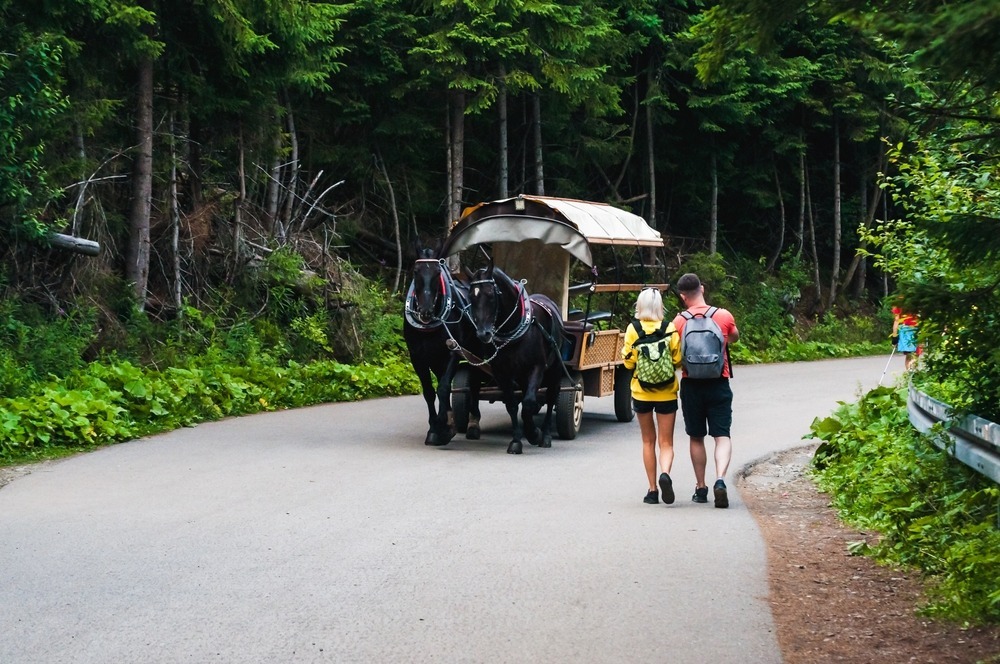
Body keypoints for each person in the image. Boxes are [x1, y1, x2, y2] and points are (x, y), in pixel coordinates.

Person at [672, 273, 740, 508]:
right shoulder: (723, 316)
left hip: (691, 384)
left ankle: (701, 488)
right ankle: (720, 479)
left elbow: (675, 351)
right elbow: (734, 338)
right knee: (722, 436)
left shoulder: (679, 322)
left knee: (696, 436)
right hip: (718, 382)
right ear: (702, 288)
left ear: (683, 296)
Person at [621, 287, 682, 506]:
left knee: (648, 441)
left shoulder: (633, 329)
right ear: (659, 306)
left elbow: (628, 362)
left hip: (642, 392)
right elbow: (677, 360)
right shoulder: (670, 328)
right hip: (667, 392)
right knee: (666, 443)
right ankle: (665, 473)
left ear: (640, 305)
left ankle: (652, 490)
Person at [891, 306, 920, 371]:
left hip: (904, 331)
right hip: (915, 329)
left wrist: (894, 337)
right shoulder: (916, 303)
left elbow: (896, 321)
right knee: (916, 354)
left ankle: (909, 373)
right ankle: (911, 370)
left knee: (909, 355)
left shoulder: (898, 304)